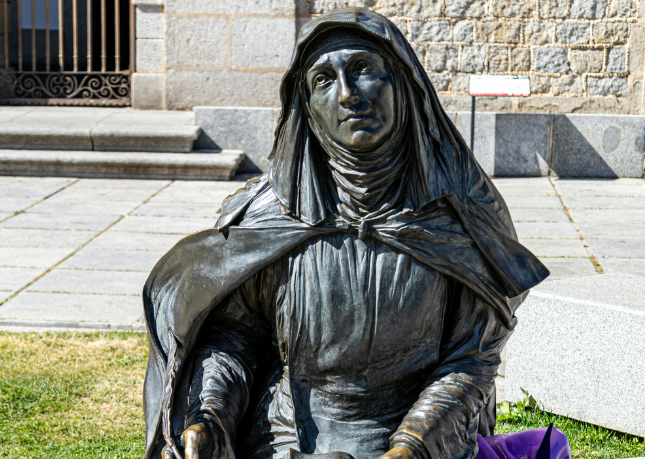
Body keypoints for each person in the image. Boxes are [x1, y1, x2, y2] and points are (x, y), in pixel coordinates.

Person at [142, 8, 549, 459]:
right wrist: (210, 416)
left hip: (424, 434)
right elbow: (236, 336)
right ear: (307, 108)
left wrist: (412, 446)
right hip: (287, 437)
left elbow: (471, 357)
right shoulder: (269, 216)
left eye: (363, 70)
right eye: (323, 80)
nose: (348, 94)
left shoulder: (463, 215)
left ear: (403, 83)